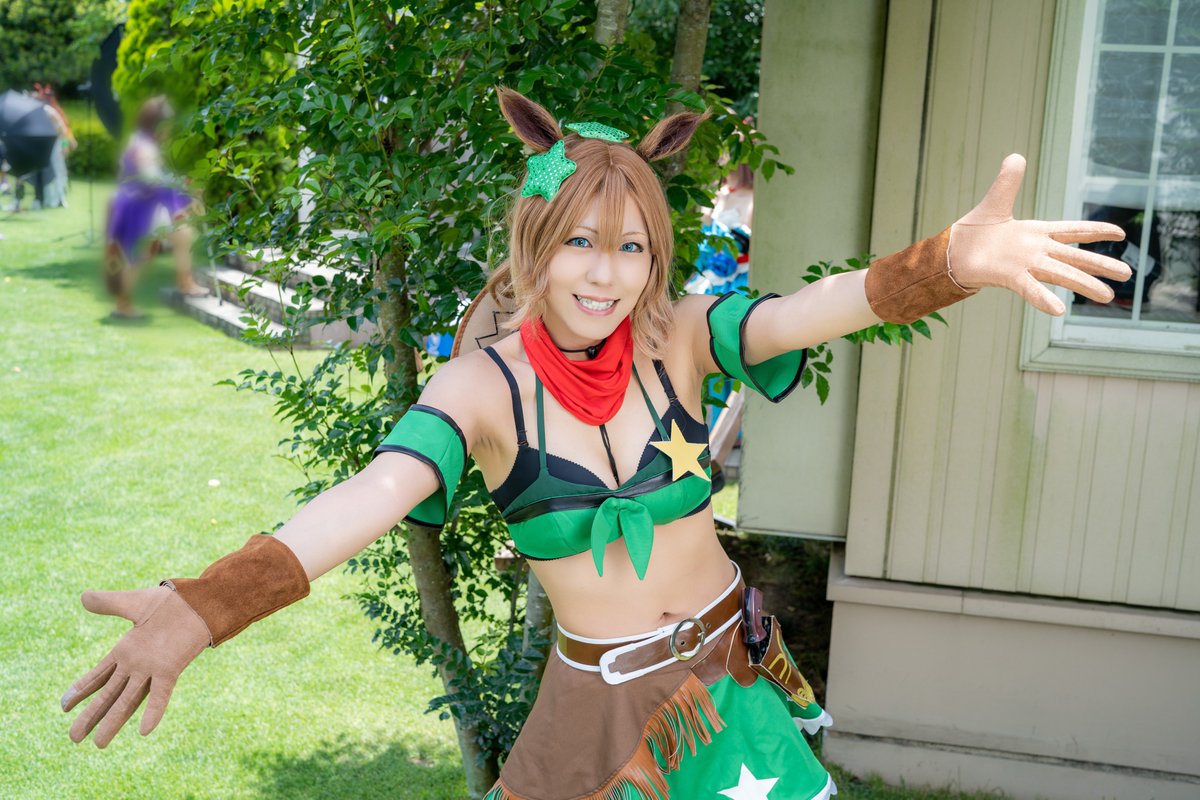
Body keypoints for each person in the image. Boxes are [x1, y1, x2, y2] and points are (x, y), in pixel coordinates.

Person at [61, 89, 1131, 800]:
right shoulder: (480, 386)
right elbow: (371, 495)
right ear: (536, 241)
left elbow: (816, 310)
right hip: (598, 708)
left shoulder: (681, 335)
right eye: (579, 240)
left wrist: (950, 261)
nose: (606, 274)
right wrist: (208, 603)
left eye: (631, 247)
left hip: (733, 671)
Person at [103, 96, 208, 320]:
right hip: (139, 208)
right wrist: (185, 193)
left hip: (142, 205)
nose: (169, 130)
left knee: (182, 235)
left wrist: (182, 187)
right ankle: (123, 303)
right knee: (141, 255)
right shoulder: (143, 147)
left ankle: (185, 282)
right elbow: (154, 180)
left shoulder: (143, 143)